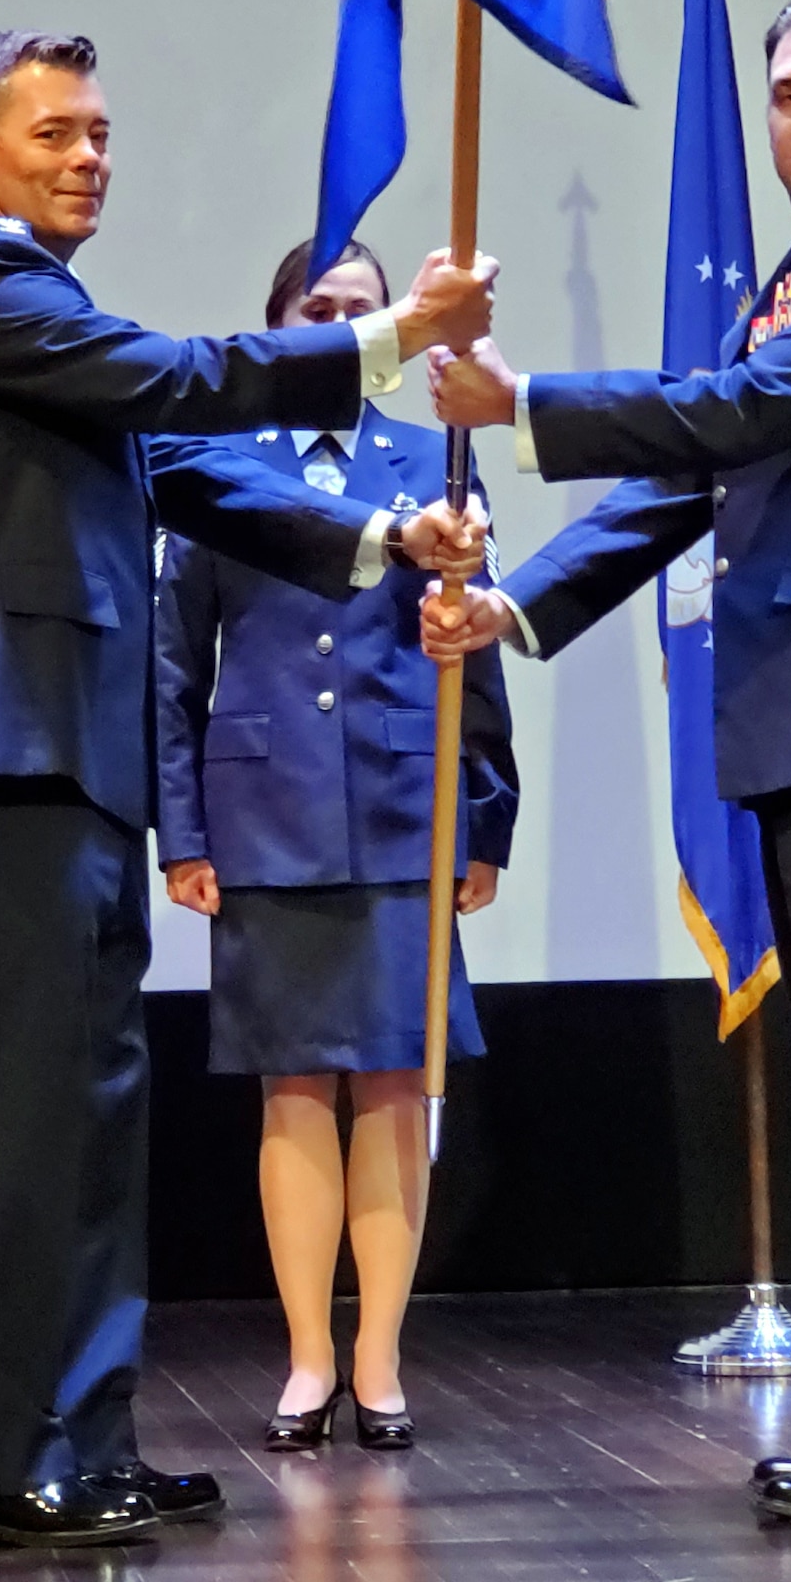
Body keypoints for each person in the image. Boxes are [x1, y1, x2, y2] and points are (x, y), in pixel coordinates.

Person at [0, 30, 496, 1551]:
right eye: (53, 133)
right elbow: (186, 378)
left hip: (74, 769)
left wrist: (378, 546)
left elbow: (203, 477)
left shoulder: (57, 317)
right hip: (6, 758)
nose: (88, 154)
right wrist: (385, 338)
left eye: (98, 131)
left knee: (88, 1122)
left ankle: (78, 1443)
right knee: (16, 1124)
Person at [423, 0, 791, 1525]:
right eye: (783, 92)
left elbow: (745, 406)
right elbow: (709, 462)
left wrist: (531, 405)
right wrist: (521, 598)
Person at [155, 240, 518, 1454]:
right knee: (295, 1085)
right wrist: (183, 829)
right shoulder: (216, 468)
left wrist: (485, 814)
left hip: (403, 812)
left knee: (394, 1085)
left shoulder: (436, 463)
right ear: (280, 333)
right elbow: (172, 667)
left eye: (364, 311)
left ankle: (379, 1359)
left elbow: (475, 660)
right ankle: (309, 1355)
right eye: (321, 312)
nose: (345, 326)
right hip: (263, 816)